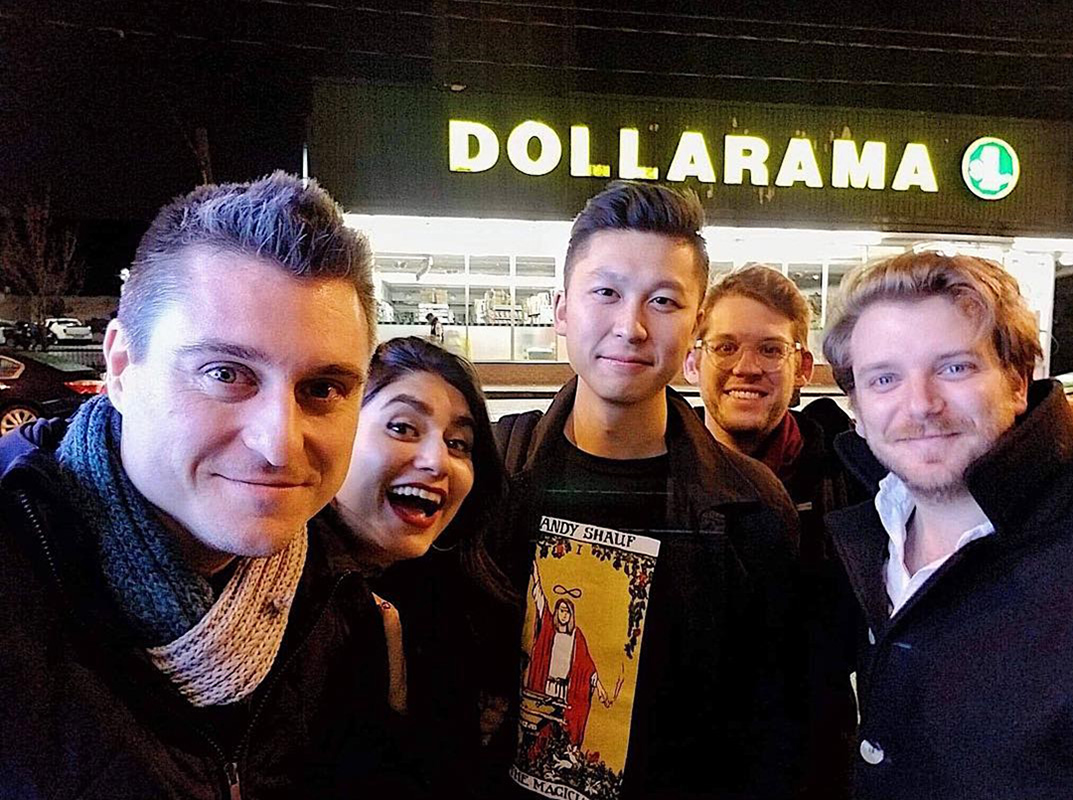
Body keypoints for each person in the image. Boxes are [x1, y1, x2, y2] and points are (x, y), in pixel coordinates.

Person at [0, 172, 411, 797]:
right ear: (121, 368)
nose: (279, 444)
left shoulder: (344, 608)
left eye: (322, 388)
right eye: (225, 373)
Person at [490, 181, 803, 800]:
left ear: (694, 327)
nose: (630, 327)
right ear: (561, 311)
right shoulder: (491, 470)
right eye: (606, 292)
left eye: (663, 301)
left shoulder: (751, 507)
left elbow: (774, 728)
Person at [821, 250, 1073, 799]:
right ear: (856, 410)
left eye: (955, 367)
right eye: (884, 378)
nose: (921, 404)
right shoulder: (865, 539)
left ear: (1018, 381)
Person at [683, 264, 862, 798]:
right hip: (687, 769)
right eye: (725, 347)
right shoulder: (659, 478)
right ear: (693, 361)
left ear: (803, 367)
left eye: (770, 350)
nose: (747, 368)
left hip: (815, 770)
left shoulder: (852, 481)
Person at [331, 335, 514, 796]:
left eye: (458, 443)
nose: (437, 462)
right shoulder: (266, 606)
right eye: (403, 428)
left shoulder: (459, 615)